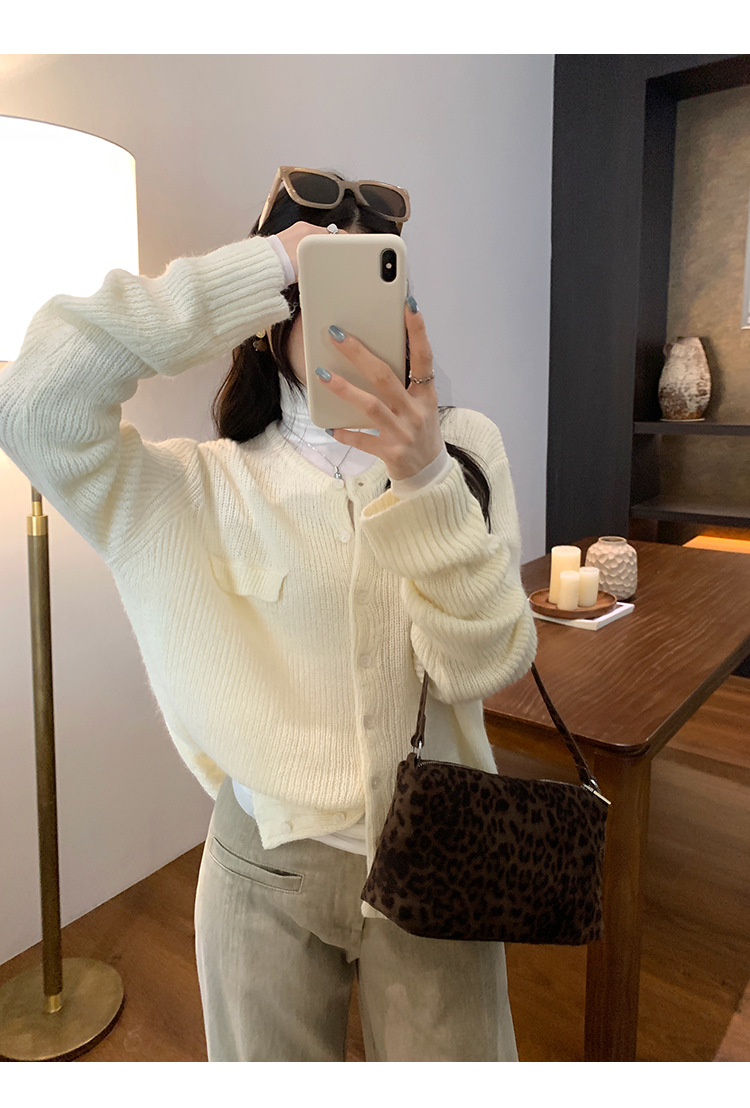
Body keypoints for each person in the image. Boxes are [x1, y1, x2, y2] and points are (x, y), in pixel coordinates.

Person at [0, 166, 537, 1062]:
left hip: (441, 845)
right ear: (269, 318)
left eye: (376, 282)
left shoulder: (464, 450)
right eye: (316, 288)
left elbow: (487, 663)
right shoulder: (192, 488)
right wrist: (260, 267)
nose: (348, 321)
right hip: (261, 866)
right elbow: (31, 404)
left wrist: (424, 479)